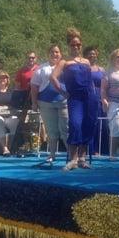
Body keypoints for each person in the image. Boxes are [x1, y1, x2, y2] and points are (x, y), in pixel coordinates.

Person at [50, 28, 97, 171]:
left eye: (78, 45)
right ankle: (73, 159)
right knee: (75, 124)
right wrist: (62, 92)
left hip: (90, 96)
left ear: (81, 46)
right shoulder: (64, 62)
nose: (76, 47)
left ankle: (82, 158)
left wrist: (95, 94)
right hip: (75, 97)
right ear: (68, 46)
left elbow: (91, 80)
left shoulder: (87, 62)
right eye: (73, 45)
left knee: (88, 124)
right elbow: (52, 77)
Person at [31, 45, 69, 163]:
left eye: (57, 52)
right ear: (48, 54)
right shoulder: (41, 69)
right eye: (52, 52)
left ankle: (71, 155)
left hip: (63, 102)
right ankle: (52, 154)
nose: (54, 54)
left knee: (66, 129)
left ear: (61, 54)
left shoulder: (67, 67)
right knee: (51, 131)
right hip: (45, 103)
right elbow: (34, 86)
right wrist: (34, 103)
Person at [84, 45, 107, 155]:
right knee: (90, 123)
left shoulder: (102, 69)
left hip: (99, 97)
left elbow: (106, 86)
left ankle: (101, 149)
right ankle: (89, 149)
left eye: (94, 53)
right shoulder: (83, 67)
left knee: (100, 124)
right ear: (86, 55)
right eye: (90, 53)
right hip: (87, 97)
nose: (92, 55)